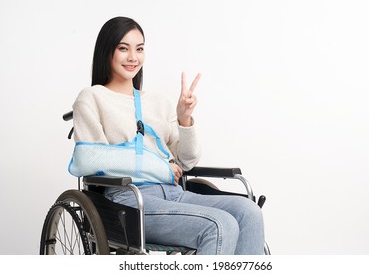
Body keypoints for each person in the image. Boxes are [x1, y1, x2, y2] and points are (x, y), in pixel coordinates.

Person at [72, 16, 265, 254]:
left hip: (174, 194)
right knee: (220, 225)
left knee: (249, 212)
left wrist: (184, 118)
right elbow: (89, 160)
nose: (133, 57)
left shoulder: (158, 101)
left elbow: (186, 162)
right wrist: (161, 168)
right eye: (124, 48)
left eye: (139, 49)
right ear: (107, 51)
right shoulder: (92, 98)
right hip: (130, 201)